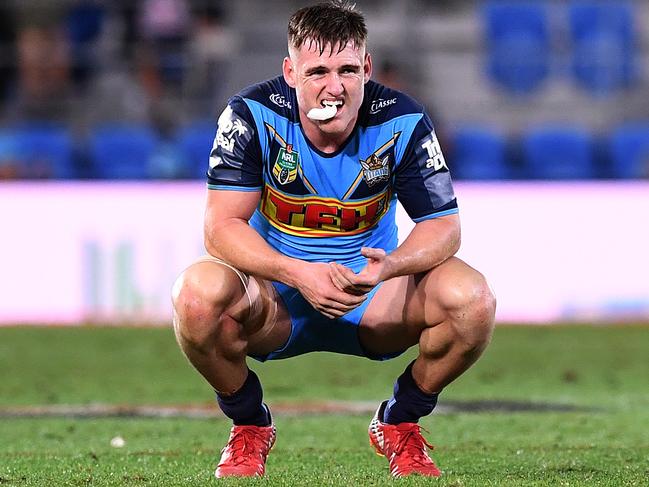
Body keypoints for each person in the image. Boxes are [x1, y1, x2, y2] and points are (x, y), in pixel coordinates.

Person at [172, 0, 496, 479]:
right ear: (290, 73)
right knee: (196, 298)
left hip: (373, 298)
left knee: (473, 301)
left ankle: (400, 420)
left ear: (366, 69)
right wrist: (297, 272)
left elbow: (445, 227)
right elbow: (219, 228)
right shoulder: (251, 116)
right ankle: (249, 425)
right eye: (317, 71)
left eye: (347, 69)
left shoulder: (402, 121)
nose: (334, 87)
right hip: (276, 300)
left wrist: (389, 267)